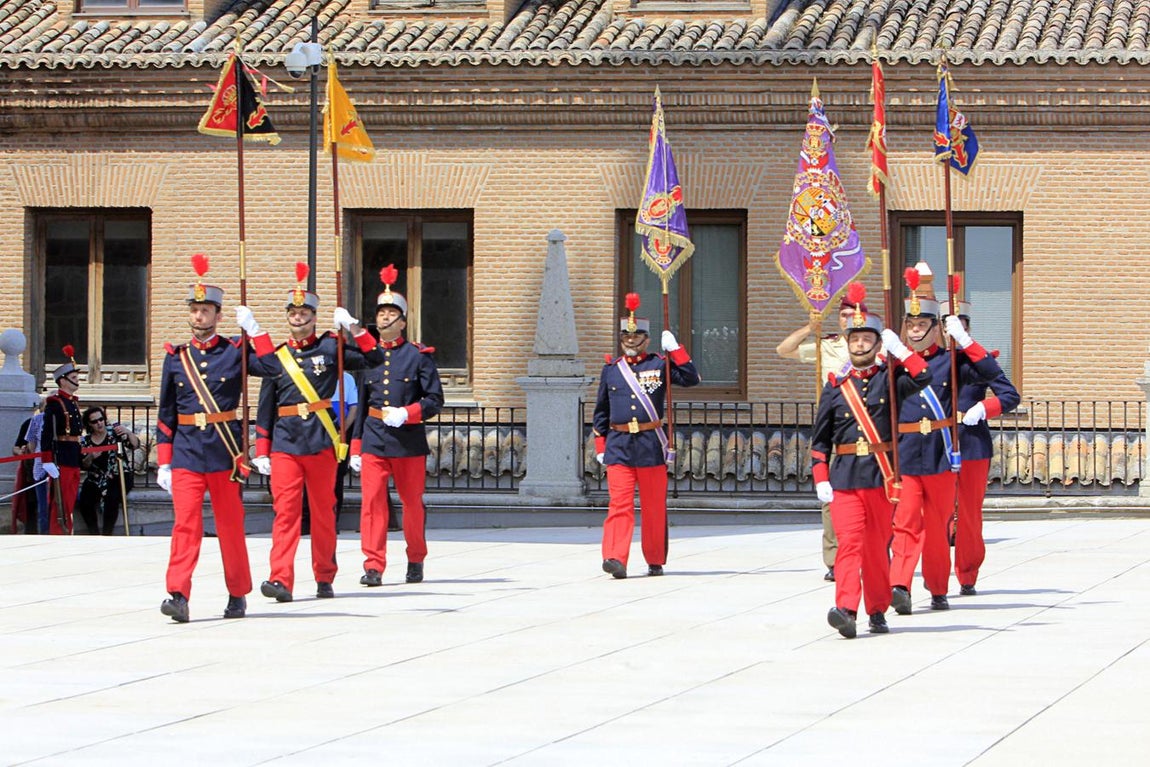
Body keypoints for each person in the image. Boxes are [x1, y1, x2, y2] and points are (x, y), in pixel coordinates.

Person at [242, 263, 383, 603]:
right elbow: (265, 402)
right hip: (286, 443)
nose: (298, 318)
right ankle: (280, 579)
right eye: (293, 313)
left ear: (314, 317)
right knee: (285, 513)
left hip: (321, 441)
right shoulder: (278, 356)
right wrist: (261, 448)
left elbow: (374, 358)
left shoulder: (329, 349)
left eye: (304, 313)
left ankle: (324, 575)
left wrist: (352, 328)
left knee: (322, 513)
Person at [810, 284, 932, 638]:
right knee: (849, 543)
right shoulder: (835, 386)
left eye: (867, 339)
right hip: (845, 478)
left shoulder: (891, 380)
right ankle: (846, 608)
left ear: (878, 344)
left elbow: (924, 377)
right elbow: (820, 440)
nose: (860, 344)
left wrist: (901, 352)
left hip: (881, 478)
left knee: (877, 548)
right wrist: (820, 476)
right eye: (855, 339)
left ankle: (877, 608)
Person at [889, 263, 1007, 614]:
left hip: (955, 448)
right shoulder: (899, 364)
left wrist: (969, 345)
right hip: (916, 450)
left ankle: (952, 579)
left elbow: (998, 381)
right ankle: (901, 583)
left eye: (922, 324)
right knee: (908, 520)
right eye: (910, 325)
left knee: (952, 520)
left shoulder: (957, 361)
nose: (914, 331)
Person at [155, 254, 254, 623]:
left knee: (230, 526)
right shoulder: (176, 358)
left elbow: (274, 369)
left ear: (219, 315)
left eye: (206, 310)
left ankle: (237, 593)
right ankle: (178, 594)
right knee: (185, 525)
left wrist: (256, 332)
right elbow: (166, 413)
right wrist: (164, 460)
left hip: (225, 453)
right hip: (186, 453)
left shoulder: (235, 352)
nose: (199, 316)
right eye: (194, 310)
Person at [592, 293, 700, 579]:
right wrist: (600, 443)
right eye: (625, 337)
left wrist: (676, 350)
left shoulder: (658, 365)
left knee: (653, 507)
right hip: (619, 444)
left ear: (646, 340)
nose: (629, 341)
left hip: (651, 444)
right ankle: (615, 557)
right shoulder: (611, 370)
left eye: (636, 336)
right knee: (619, 505)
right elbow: (601, 410)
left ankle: (654, 558)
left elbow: (691, 379)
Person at [350, 264, 444, 587]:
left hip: (407, 440)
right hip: (375, 438)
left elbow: (435, 399)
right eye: (380, 313)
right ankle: (373, 564)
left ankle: (416, 557)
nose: (384, 318)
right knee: (372, 503)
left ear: (402, 321)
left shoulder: (419, 356)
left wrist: (408, 413)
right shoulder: (369, 357)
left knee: (411, 503)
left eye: (391, 313)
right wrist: (356, 446)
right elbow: (362, 405)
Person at [776, 295, 868, 582]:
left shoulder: (875, 348)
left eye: (854, 314)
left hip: (871, 429)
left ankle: (872, 553)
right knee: (832, 498)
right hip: (836, 430)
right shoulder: (826, 345)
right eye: (843, 315)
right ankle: (835, 559)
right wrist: (809, 328)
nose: (848, 320)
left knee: (874, 497)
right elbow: (783, 350)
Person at [951, 302, 1020, 595]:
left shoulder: (976, 361)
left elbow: (1009, 394)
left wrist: (984, 407)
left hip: (970, 443)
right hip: (930, 442)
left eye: (959, 328)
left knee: (968, 513)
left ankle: (967, 573)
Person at [41, 347, 85, 535]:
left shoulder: (72, 402)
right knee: (61, 500)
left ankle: (67, 531)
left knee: (70, 498)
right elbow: (47, 432)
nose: (77, 382)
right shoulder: (55, 403)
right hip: (62, 455)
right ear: (63, 381)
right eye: (73, 378)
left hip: (73, 454)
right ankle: (57, 532)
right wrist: (47, 460)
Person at [77, 405, 140, 535]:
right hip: (96, 477)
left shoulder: (115, 433)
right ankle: (93, 533)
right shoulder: (86, 441)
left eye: (101, 419)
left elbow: (134, 445)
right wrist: (90, 457)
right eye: (94, 421)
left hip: (119, 474)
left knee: (112, 498)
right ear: (89, 424)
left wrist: (127, 432)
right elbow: (84, 465)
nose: (99, 423)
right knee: (85, 501)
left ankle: (107, 534)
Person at [11, 402, 44, 534]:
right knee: (31, 504)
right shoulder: (31, 423)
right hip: (32, 471)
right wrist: (21, 452)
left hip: (55, 469)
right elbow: (17, 447)